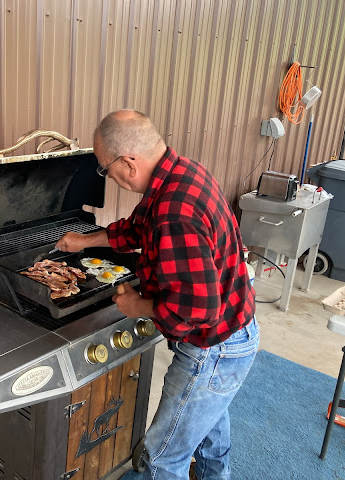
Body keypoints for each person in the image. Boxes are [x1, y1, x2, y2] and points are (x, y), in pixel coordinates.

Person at [55, 110, 258, 480]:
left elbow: (198, 309)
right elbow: (138, 227)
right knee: (209, 438)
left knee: (162, 457)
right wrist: (86, 241)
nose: (107, 176)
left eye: (105, 168)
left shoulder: (174, 213)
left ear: (128, 163)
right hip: (236, 329)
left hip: (213, 347)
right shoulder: (182, 174)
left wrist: (138, 306)